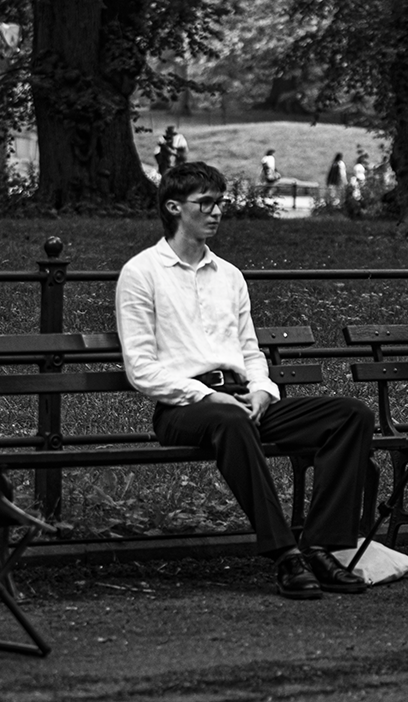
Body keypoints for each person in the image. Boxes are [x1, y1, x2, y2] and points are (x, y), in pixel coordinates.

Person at [115, 164, 376, 600]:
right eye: (206, 203)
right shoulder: (142, 273)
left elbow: (250, 350)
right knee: (229, 420)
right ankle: (285, 555)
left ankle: (320, 547)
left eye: (221, 203)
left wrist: (261, 389)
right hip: (185, 408)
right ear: (174, 207)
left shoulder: (230, 276)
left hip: (241, 399)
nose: (217, 212)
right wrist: (209, 395)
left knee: (351, 415)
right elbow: (141, 369)